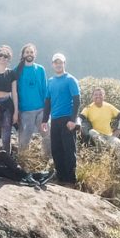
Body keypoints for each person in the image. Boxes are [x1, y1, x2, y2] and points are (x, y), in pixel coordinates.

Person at [42, 53, 80, 185]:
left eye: (61, 62)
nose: (58, 65)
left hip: (67, 119)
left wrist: (73, 120)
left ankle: (70, 179)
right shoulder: (51, 81)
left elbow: (76, 100)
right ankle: (61, 177)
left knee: (69, 149)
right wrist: (44, 120)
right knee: (56, 149)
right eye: (56, 62)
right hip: (55, 119)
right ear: (53, 64)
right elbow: (47, 101)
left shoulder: (70, 79)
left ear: (64, 64)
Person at [14, 43, 48, 153]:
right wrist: (16, 111)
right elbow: (14, 92)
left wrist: (47, 109)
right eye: (27, 52)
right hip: (25, 111)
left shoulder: (40, 69)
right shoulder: (17, 71)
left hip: (41, 110)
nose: (29, 54)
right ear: (23, 54)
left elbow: (45, 89)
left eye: (31, 52)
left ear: (35, 54)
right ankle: (22, 161)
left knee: (47, 135)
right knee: (24, 140)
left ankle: (49, 159)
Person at [79, 87, 120, 156]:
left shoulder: (109, 107)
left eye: (100, 94)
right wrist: (77, 125)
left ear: (104, 96)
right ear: (92, 97)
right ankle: (102, 150)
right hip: (96, 135)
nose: (98, 96)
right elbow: (80, 118)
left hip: (108, 136)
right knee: (92, 132)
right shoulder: (88, 108)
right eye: (95, 94)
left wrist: (119, 129)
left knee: (118, 144)